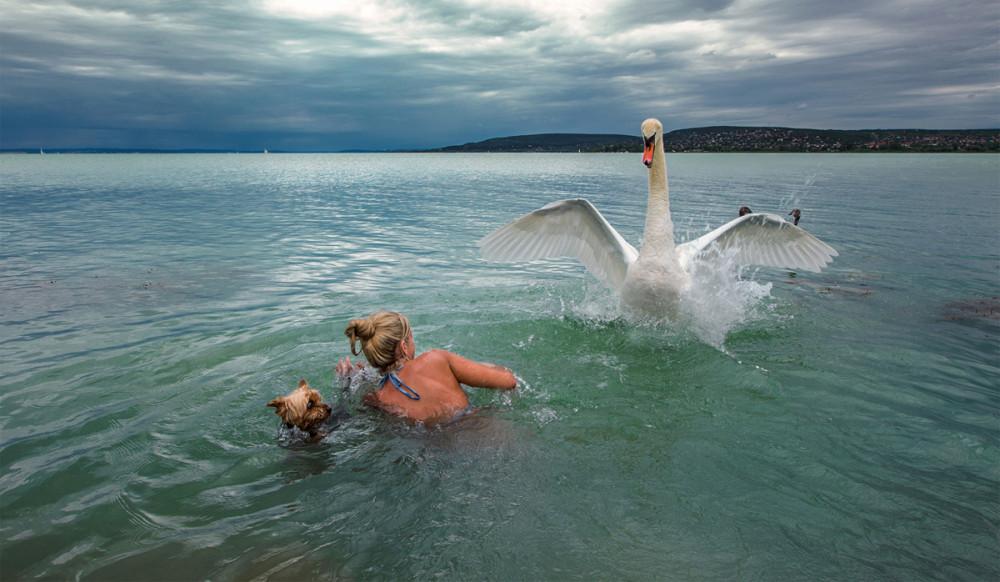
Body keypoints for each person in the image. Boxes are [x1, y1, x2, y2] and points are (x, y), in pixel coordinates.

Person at [337, 310, 516, 426]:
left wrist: (351, 385)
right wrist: (487, 367)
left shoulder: (375, 398)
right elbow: (509, 382)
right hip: (483, 434)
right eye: (411, 338)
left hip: (437, 454)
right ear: (403, 347)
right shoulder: (436, 359)